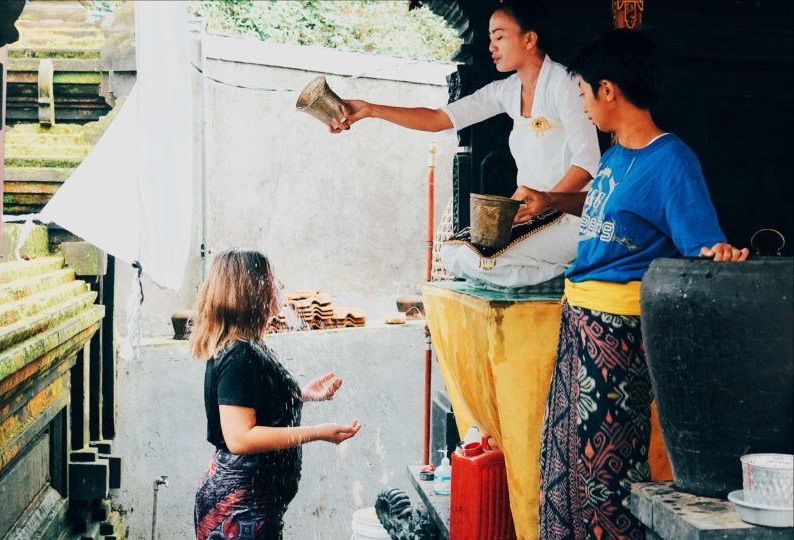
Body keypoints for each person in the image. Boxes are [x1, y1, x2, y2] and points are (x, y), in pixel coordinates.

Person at [511, 30, 748, 539]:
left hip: (617, 336)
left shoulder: (672, 162)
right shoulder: (617, 156)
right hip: (579, 323)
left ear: (608, 90)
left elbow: (703, 247)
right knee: (563, 460)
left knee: (606, 474)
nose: (582, 105)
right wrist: (552, 200)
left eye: (583, 94)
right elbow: (605, 205)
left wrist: (720, 254)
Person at [332, 0, 600, 288]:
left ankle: (562, 277)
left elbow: (587, 163)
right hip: (529, 216)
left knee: (486, 260)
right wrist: (371, 110)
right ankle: (548, 271)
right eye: (490, 39)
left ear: (529, 39)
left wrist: (545, 202)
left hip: (570, 218)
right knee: (453, 253)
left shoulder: (565, 84)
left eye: (499, 36)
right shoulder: (507, 90)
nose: (491, 47)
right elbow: (438, 118)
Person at [191, 249, 362, 540]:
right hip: (239, 510)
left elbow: (253, 405)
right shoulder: (239, 354)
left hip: (252, 505)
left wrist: (301, 395)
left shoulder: (249, 345)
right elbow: (240, 438)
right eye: (271, 279)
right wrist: (318, 432)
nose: (279, 287)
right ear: (249, 289)